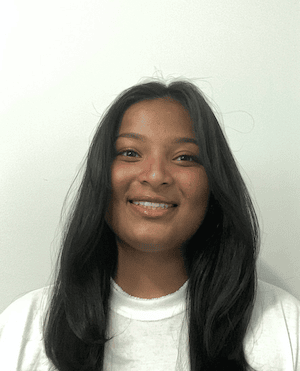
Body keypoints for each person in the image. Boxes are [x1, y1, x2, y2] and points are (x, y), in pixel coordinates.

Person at [0, 78, 299, 371]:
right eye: (130, 153)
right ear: (100, 174)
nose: (155, 176)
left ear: (214, 183)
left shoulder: (283, 325)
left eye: (185, 157)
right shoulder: (23, 329)